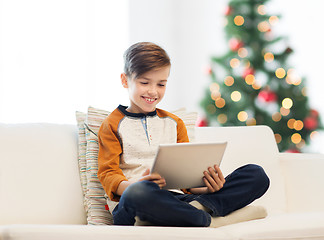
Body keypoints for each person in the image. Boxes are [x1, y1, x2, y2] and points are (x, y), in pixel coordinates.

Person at [97, 42, 270, 227]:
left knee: (256, 174)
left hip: (174, 201)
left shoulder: (174, 123)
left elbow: (187, 183)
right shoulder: (112, 124)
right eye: (144, 82)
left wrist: (208, 186)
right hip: (134, 202)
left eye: (161, 84)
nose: (153, 91)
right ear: (125, 80)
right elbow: (108, 175)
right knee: (140, 193)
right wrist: (135, 184)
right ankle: (209, 218)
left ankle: (195, 211)